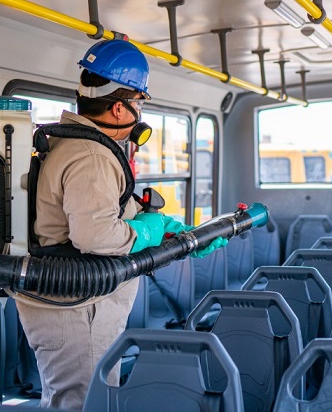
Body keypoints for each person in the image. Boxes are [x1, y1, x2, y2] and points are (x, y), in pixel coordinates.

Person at [14, 38, 225, 410]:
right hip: (80, 311)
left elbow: (102, 212)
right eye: (139, 102)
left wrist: (164, 226)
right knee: (85, 404)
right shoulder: (91, 155)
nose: (140, 111)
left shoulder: (72, 142)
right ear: (117, 108)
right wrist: (146, 232)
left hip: (77, 305)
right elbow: (95, 236)